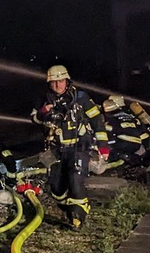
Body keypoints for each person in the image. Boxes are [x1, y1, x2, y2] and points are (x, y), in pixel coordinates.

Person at [31, 65, 109, 229]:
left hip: (78, 146)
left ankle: (78, 217)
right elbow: (34, 120)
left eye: (61, 81)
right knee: (56, 187)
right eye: (54, 82)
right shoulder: (44, 99)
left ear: (67, 81)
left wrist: (103, 146)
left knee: (75, 179)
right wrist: (43, 112)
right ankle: (68, 209)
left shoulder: (81, 98)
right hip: (55, 149)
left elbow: (97, 121)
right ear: (49, 83)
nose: (58, 85)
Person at [101, 95, 150, 168]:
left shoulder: (109, 117)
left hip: (120, 145)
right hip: (136, 145)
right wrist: (144, 147)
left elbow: (106, 130)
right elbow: (144, 134)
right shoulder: (131, 116)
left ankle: (117, 158)